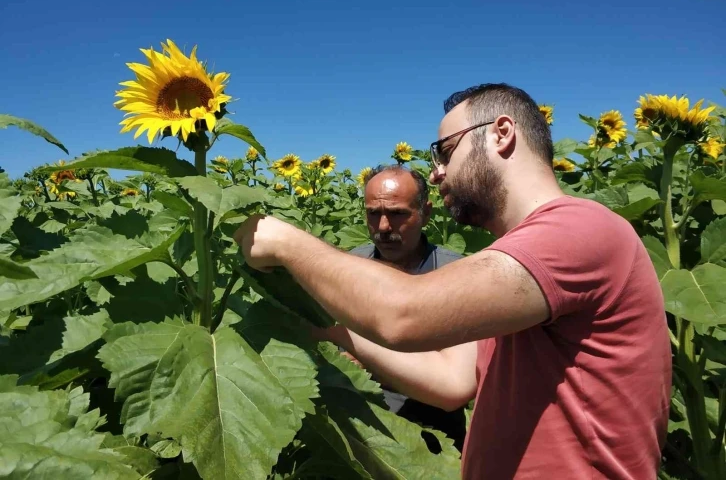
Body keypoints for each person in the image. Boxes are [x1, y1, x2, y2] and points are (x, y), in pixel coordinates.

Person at [234, 83, 672, 479]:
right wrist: (320, 327)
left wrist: (287, 242)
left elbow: (403, 313)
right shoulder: (516, 259)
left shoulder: (578, 229)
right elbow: (452, 382)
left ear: (502, 133)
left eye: (444, 150)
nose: (438, 171)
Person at [344, 163, 468, 451]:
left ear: (426, 213)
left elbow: (458, 379)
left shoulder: (458, 275)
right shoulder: (349, 269)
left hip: (435, 438)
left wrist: (368, 360)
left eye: (398, 214)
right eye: (373, 214)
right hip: (358, 432)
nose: (384, 228)